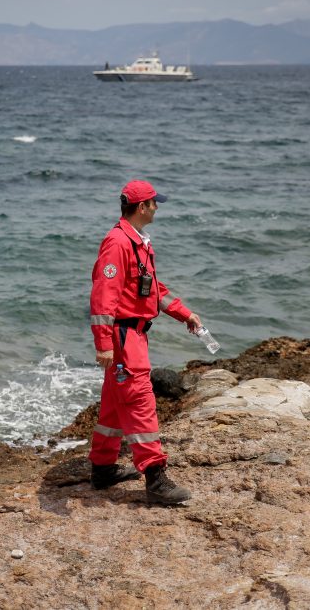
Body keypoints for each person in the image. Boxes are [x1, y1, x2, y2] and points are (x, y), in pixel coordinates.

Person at [88, 180, 202, 504]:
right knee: (140, 402)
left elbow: (152, 289)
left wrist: (184, 314)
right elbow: (102, 298)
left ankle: (102, 469)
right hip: (124, 338)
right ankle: (155, 479)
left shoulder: (139, 242)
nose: (157, 207)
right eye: (154, 203)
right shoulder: (118, 243)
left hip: (132, 334)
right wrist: (104, 344)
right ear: (142, 208)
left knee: (113, 403)